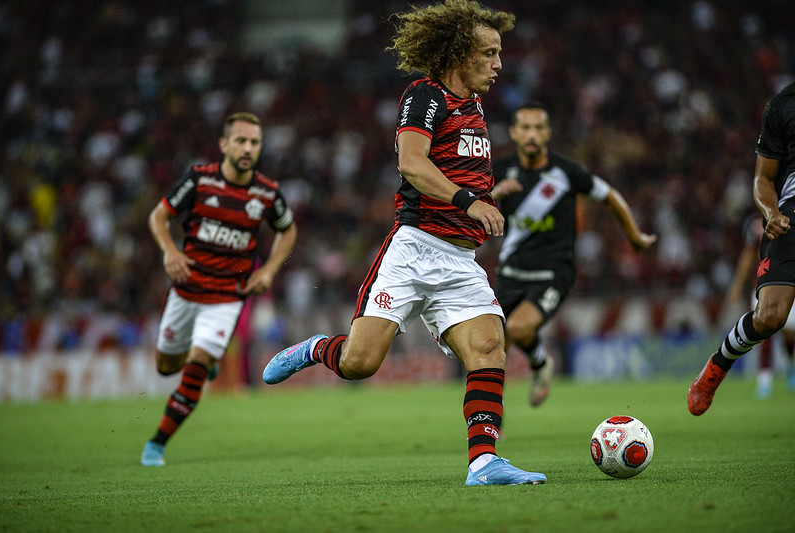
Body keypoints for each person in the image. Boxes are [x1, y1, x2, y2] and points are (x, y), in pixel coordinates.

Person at [263, 0, 545, 486]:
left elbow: (457, 176)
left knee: (489, 346)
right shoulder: (424, 95)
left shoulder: (475, 107)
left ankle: (483, 462)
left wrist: (490, 197)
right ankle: (315, 349)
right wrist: (470, 202)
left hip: (460, 258)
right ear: (460, 52)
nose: (500, 64)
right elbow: (412, 165)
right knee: (360, 363)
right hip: (414, 250)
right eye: (490, 53)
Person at [140, 112, 297, 465]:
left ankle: (157, 444)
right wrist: (170, 252)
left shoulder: (267, 193)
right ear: (225, 145)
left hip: (227, 297)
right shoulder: (200, 180)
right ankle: (203, 361)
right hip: (186, 290)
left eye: (254, 142)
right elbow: (158, 217)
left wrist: (270, 270)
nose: (248, 148)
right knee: (167, 366)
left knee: (194, 370)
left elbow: (288, 230)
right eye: (241, 141)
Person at [491, 102, 656, 407]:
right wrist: (493, 195)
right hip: (511, 270)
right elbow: (469, 206)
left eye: (538, 128)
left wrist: (634, 237)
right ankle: (501, 404)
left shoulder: (566, 172)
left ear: (548, 133)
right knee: (493, 343)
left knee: (517, 328)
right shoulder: (500, 172)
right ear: (514, 133)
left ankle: (538, 365)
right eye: (525, 128)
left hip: (554, 271)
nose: (532, 134)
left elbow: (610, 197)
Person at [688, 82, 795, 416]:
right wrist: (772, 213)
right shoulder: (782, 106)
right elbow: (763, 178)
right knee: (771, 317)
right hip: (791, 220)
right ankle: (716, 367)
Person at [724, 213, 795, 399]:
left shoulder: (789, 217)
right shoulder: (755, 224)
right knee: (763, 334)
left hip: (787, 286)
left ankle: (790, 365)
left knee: (789, 333)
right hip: (761, 286)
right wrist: (737, 286)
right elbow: (748, 256)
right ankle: (764, 381)